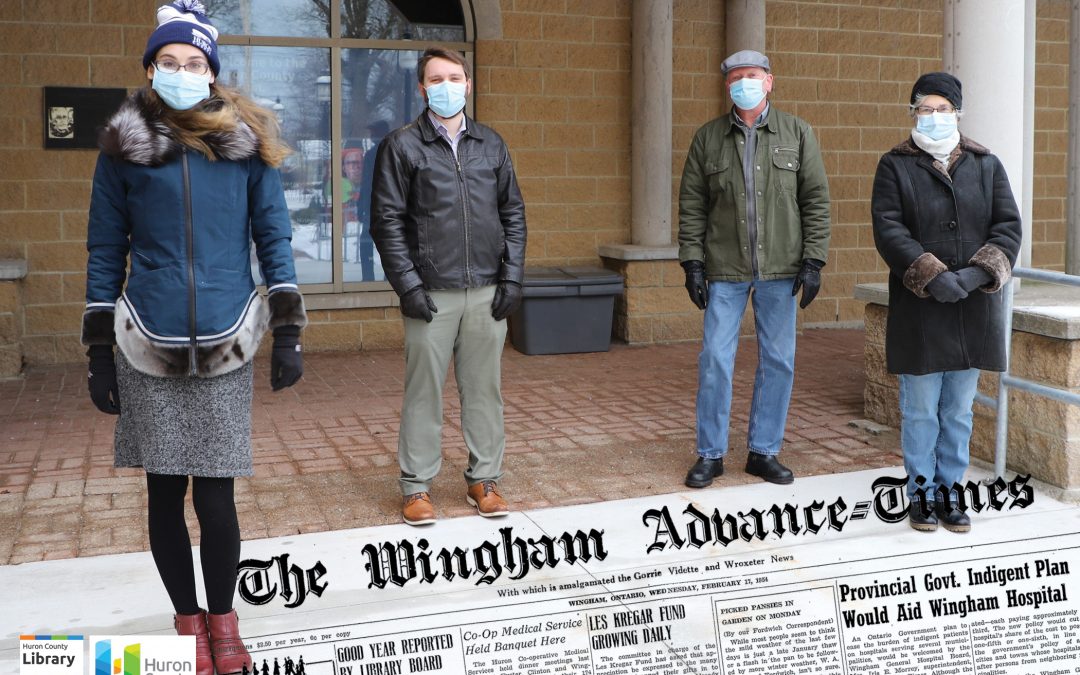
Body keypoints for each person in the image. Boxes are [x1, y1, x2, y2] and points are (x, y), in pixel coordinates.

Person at [80, 2, 306, 674]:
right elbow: (103, 247)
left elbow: (274, 235)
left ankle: (224, 621)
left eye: (194, 63)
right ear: (151, 70)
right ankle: (187, 623)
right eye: (169, 62)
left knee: (216, 492)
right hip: (145, 339)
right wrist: (98, 350)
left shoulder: (244, 147)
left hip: (225, 339)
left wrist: (288, 327)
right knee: (162, 490)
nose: (182, 72)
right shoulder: (122, 152)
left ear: (212, 73)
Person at [371, 47, 526, 526]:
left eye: (454, 77)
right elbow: (386, 221)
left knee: (484, 391)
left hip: (485, 291)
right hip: (430, 294)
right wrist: (409, 287)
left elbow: (513, 214)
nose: (445, 86)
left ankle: (485, 480)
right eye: (435, 79)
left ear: (468, 83)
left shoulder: (491, 144)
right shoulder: (402, 146)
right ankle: (416, 486)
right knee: (424, 393)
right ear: (422, 88)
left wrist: (512, 276)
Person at [871, 72, 1021, 533]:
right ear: (913, 111)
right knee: (919, 407)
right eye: (924, 108)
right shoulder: (895, 165)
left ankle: (950, 492)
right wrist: (932, 276)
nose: (934, 117)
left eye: (942, 108)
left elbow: (1007, 226)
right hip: (921, 307)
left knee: (958, 408)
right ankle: (920, 494)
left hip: (972, 306)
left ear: (957, 111)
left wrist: (977, 274)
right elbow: (888, 228)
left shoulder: (986, 163)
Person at [677, 49, 831, 489]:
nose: (746, 82)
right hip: (724, 267)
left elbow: (815, 200)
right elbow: (692, 205)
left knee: (779, 361)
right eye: (737, 76)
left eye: (754, 75)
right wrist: (692, 260)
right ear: (728, 86)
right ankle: (710, 454)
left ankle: (764, 452)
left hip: (781, 267)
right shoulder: (708, 138)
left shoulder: (797, 133)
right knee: (714, 360)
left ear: (769, 81)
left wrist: (814, 259)